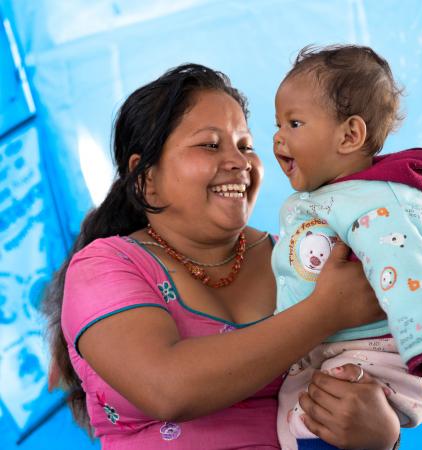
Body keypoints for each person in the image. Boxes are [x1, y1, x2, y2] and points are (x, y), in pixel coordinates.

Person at [43, 63, 403, 450]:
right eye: (210, 144)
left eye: (246, 145)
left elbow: (380, 368)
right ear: (145, 176)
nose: (240, 161)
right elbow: (168, 388)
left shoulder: (305, 255)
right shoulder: (106, 266)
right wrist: (323, 313)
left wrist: (383, 435)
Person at [272, 44, 422, 450]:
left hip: (376, 357)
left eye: (294, 123)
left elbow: (409, 273)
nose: (278, 138)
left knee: (316, 416)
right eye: (278, 124)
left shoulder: (377, 202)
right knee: (295, 412)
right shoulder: (331, 198)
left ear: (350, 135)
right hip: (330, 351)